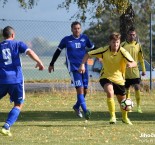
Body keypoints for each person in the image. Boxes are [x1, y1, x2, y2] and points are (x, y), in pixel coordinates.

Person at [79, 32, 137, 125]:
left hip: (119, 79)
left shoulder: (123, 52)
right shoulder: (104, 50)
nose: (116, 44)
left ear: (119, 42)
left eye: (117, 42)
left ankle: (125, 118)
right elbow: (88, 54)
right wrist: (82, 65)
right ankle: (112, 117)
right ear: (110, 42)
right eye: (114, 42)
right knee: (110, 92)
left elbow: (134, 62)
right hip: (105, 76)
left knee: (123, 102)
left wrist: (130, 64)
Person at [0, 26, 45, 136]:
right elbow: (29, 52)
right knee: (18, 104)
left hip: (1, 79)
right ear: (13, 35)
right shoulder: (17, 44)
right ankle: (6, 126)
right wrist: (39, 62)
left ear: (3, 36)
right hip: (16, 79)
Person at [48, 21, 94, 120]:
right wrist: (52, 63)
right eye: (74, 28)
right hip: (73, 69)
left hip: (84, 67)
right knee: (80, 89)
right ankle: (86, 111)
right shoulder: (66, 40)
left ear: (80, 29)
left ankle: (76, 106)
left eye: (78, 28)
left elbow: (93, 49)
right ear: (71, 29)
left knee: (85, 90)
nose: (76, 30)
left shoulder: (85, 38)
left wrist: (100, 57)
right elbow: (57, 51)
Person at [121, 27, 146, 113]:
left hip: (135, 71)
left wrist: (143, 69)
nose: (132, 36)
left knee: (137, 87)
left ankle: (139, 107)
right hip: (125, 71)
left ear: (135, 36)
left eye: (133, 35)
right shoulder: (122, 45)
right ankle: (128, 107)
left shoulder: (138, 45)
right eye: (130, 34)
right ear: (127, 35)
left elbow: (141, 59)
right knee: (126, 89)